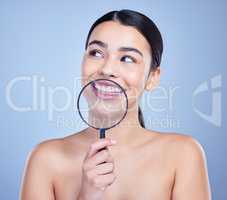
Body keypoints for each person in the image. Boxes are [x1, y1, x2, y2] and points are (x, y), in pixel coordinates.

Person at [20, 9, 211, 200]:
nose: (107, 69)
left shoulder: (183, 155)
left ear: (152, 78)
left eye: (127, 58)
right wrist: (87, 196)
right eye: (96, 53)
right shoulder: (45, 160)